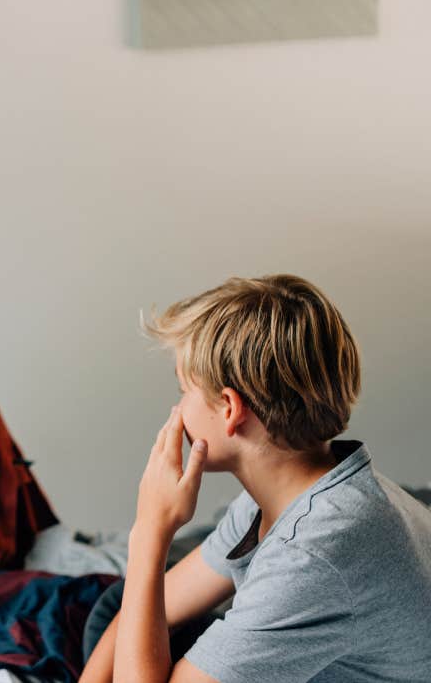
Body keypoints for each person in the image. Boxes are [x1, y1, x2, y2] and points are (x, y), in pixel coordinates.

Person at [80, 274, 431, 682]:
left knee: (137, 615)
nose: (177, 409)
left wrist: (149, 532)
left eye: (183, 391)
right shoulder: (287, 491)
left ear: (230, 408)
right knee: (117, 609)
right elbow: (141, 610)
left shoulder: (314, 550)